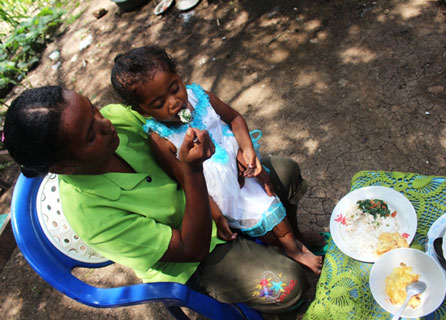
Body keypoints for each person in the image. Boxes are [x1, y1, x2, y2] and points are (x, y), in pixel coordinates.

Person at [4, 85, 311, 313]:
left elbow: (178, 122)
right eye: (89, 135)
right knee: (290, 287)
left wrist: (231, 153)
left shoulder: (117, 119)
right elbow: (193, 249)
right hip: (198, 255)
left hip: (216, 194)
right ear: (64, 167)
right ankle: (275, 254)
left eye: (93, 108)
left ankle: (288, 240)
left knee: (284, 171)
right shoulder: (92, 215)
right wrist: (192, 173)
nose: (105, 122)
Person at [110, 45, 324, 274]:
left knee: (274, 199)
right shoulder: (161, 139)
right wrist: (216, 215)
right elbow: (186, 181)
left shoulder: (199, 97)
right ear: (143, 111)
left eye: (175, 88)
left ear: (179, 77)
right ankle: (293, 248)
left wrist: (247, 149)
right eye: (158, 104)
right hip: (221, 190)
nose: (174, 102)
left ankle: (295, 238)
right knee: (269, 213)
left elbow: (234, 118)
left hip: (240, 165)